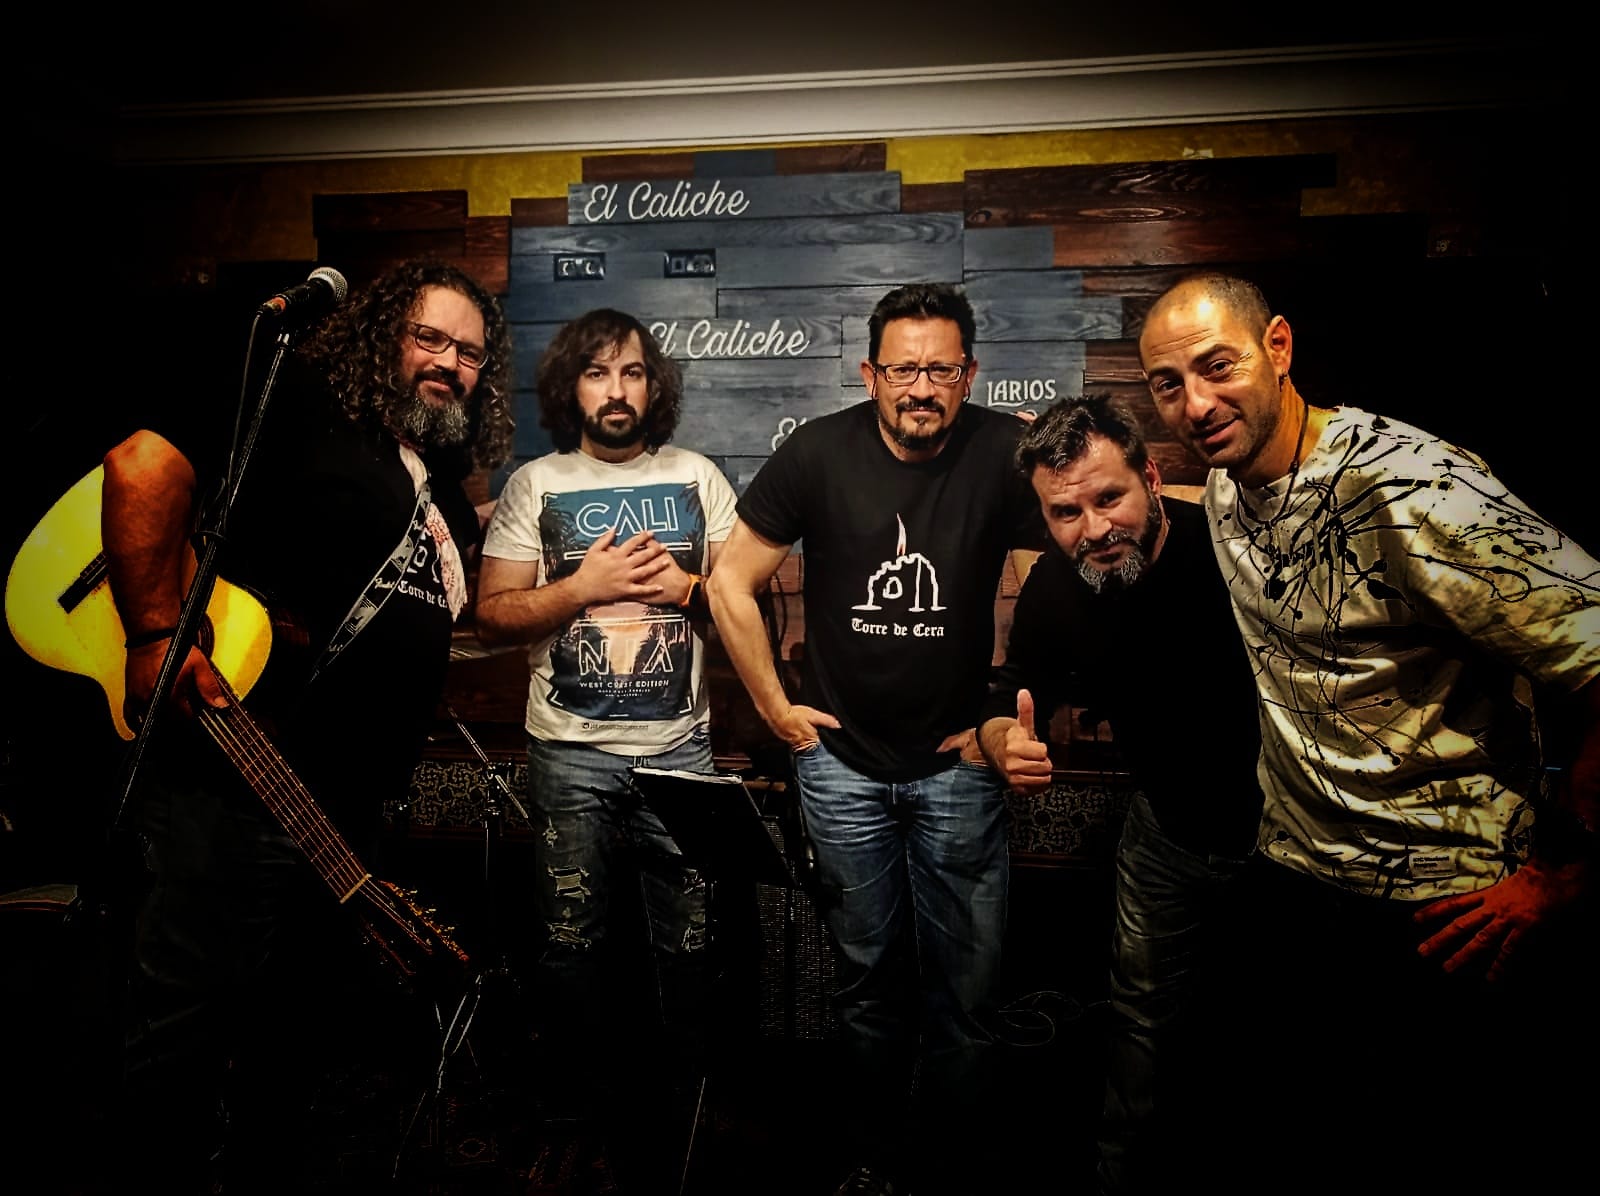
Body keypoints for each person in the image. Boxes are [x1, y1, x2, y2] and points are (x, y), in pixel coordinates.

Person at [1138, 270, 1599, 1190]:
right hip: (1300, 888)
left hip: (1443, 909)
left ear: (1278, 348)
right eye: (1167, 384)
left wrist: (1566, 871)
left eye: (1216, 366)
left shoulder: (1415, 485)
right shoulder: (1227, 493)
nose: (1195, 403)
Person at [100, 259, 515, 1193]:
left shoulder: (440, 494)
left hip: (341, 817)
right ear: (382, 339)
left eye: (471, 353)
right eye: (431, 339)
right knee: (187, 1028)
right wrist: (154, 633)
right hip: (237, 781)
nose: (450, 363)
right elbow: (142, 466)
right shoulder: (297, 408)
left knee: (294, 1038)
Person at [705, 282, 1044, 1196]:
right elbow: (728, 583)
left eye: (941, 369)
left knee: (969, 990)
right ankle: (871, 1157)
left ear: (969, 374)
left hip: (961, 769)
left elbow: (1068, 584)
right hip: (842, 769)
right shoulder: (815, 453)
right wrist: (777, 709)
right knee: (865, 983)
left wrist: (1012, 708)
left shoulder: (1008, 453)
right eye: (904, 369)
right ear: (870, 372)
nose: (920, 387)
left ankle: (957, 1164)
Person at [473, 308, 738, 1188]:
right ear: (571, 388)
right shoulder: (535, 484)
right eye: (596, 373)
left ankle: (692, 1114)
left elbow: (747, 607)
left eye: (630, 372)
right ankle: (570, 1117)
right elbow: (495, 612)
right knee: (567, 943)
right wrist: (582, 586)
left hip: (680, 751)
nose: (616, 390)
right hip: (569, 752)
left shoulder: (697, 476)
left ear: (652, 385)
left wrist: (692, 584)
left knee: (694, 944)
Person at [975, 393, 1264, 1195]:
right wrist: (1006, 742)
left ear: (1153, 474)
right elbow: (1009, 694)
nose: (1094, 529)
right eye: (1066, 512)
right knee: (1140, 1025)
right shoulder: (1058, 590)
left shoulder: (1231, 549)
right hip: (1166, 832)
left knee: (1272, 1027)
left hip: (1287, 838)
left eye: (1110, 499)